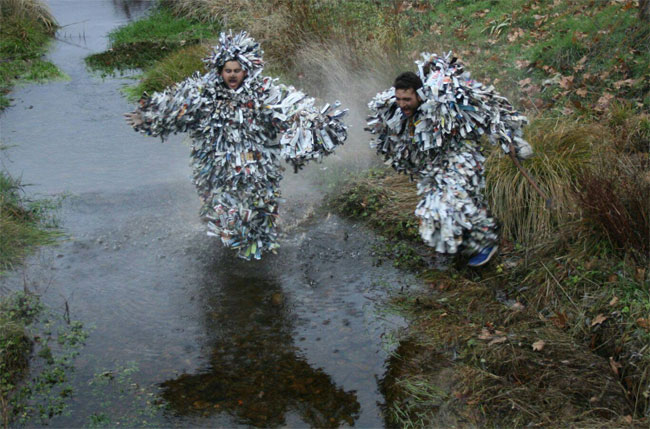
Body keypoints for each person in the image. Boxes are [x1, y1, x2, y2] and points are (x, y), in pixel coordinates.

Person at [125, 31, 347, 260]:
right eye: (227, 70)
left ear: (246, 70)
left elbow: (293, 108)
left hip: (256, 172)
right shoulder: (203, 93)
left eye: (237, 70)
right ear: (219, 71)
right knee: (221, 217)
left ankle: (259, 261)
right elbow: (175, 106)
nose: (232, 75)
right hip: (215, 171)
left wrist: (316, 124)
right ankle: (228, 258)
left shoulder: (264, 93)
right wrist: (147, 115)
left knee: (259, 215)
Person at [366, 53, 533, 267]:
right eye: (398, 99)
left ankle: (486, 244)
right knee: (432, 213)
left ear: (420, 94)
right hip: (435, 165)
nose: (402, 104)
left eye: (407, 99)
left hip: (461, 155)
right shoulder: (396, 110)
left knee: (449, 202)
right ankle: (465, 246)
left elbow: (488, 109)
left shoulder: (445, 102)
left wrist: (511, 140)